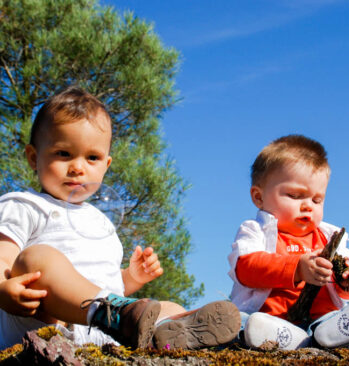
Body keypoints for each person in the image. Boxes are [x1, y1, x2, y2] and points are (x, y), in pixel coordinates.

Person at [0, 86, 241, 350]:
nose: (78, 167)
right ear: (34, 158)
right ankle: (120, 317)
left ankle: (163, 334)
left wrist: (130, 279)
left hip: (102, 333)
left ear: (106, 165)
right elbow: (4, 256)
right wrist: (3, 288)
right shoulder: (24, 204)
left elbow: (101, 283)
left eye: (92, 157)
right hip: (45, 324)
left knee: (168, 307)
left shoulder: (100, 222)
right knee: (36, 259)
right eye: (63, 153)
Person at [228, 134, 349, 350]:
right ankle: (284, 337)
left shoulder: (329, 237)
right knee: (243, 323)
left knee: (334, 321)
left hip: (322, 319)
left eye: (317, 199)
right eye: (294, 195)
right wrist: (297, 268)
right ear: (258, 197)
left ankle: (335, 333)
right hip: (271, 319)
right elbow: (246, 268)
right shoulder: (256, 231)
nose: (308, 206)